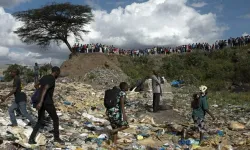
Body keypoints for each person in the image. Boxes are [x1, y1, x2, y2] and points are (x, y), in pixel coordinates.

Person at [28, 66, 64, 144]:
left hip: (40, 102)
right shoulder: (52, 79)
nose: (58, 75)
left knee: (39, 121)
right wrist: (41, 102)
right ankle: (56, 138)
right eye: (58, 73)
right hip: (47, 102)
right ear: (56, 72)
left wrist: (39, 93)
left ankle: (31, 139)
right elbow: (45, 88)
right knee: (55, 119)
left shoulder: (44, 77)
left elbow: (36, 85)